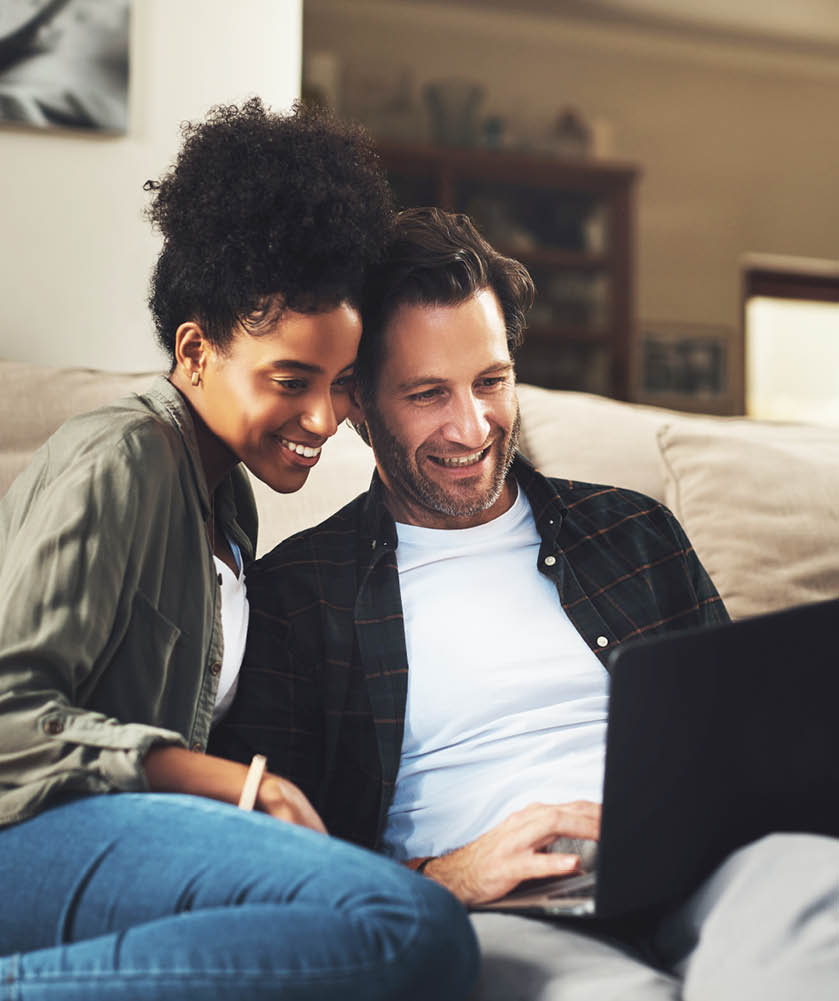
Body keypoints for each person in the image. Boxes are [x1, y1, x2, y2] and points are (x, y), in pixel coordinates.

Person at [211, 206, 839, 1000]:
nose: (471, 426)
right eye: (428, 393)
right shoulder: (299, 596)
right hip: (504, 907)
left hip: (712, 870)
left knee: (820, 914)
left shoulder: (633, 531)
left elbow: (750, 750)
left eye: (490, 382)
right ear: (360, 404)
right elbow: (259, 858)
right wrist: (442, 876)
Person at [0, 109, 478, 1000]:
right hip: (25, 831)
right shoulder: (124, 458)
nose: (324, 420)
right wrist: (237, 786)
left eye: (339, 385)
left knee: (391, 919)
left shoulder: (229, 499)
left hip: (110, 835)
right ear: (194, 349)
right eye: (290, 381)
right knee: (410, 929)